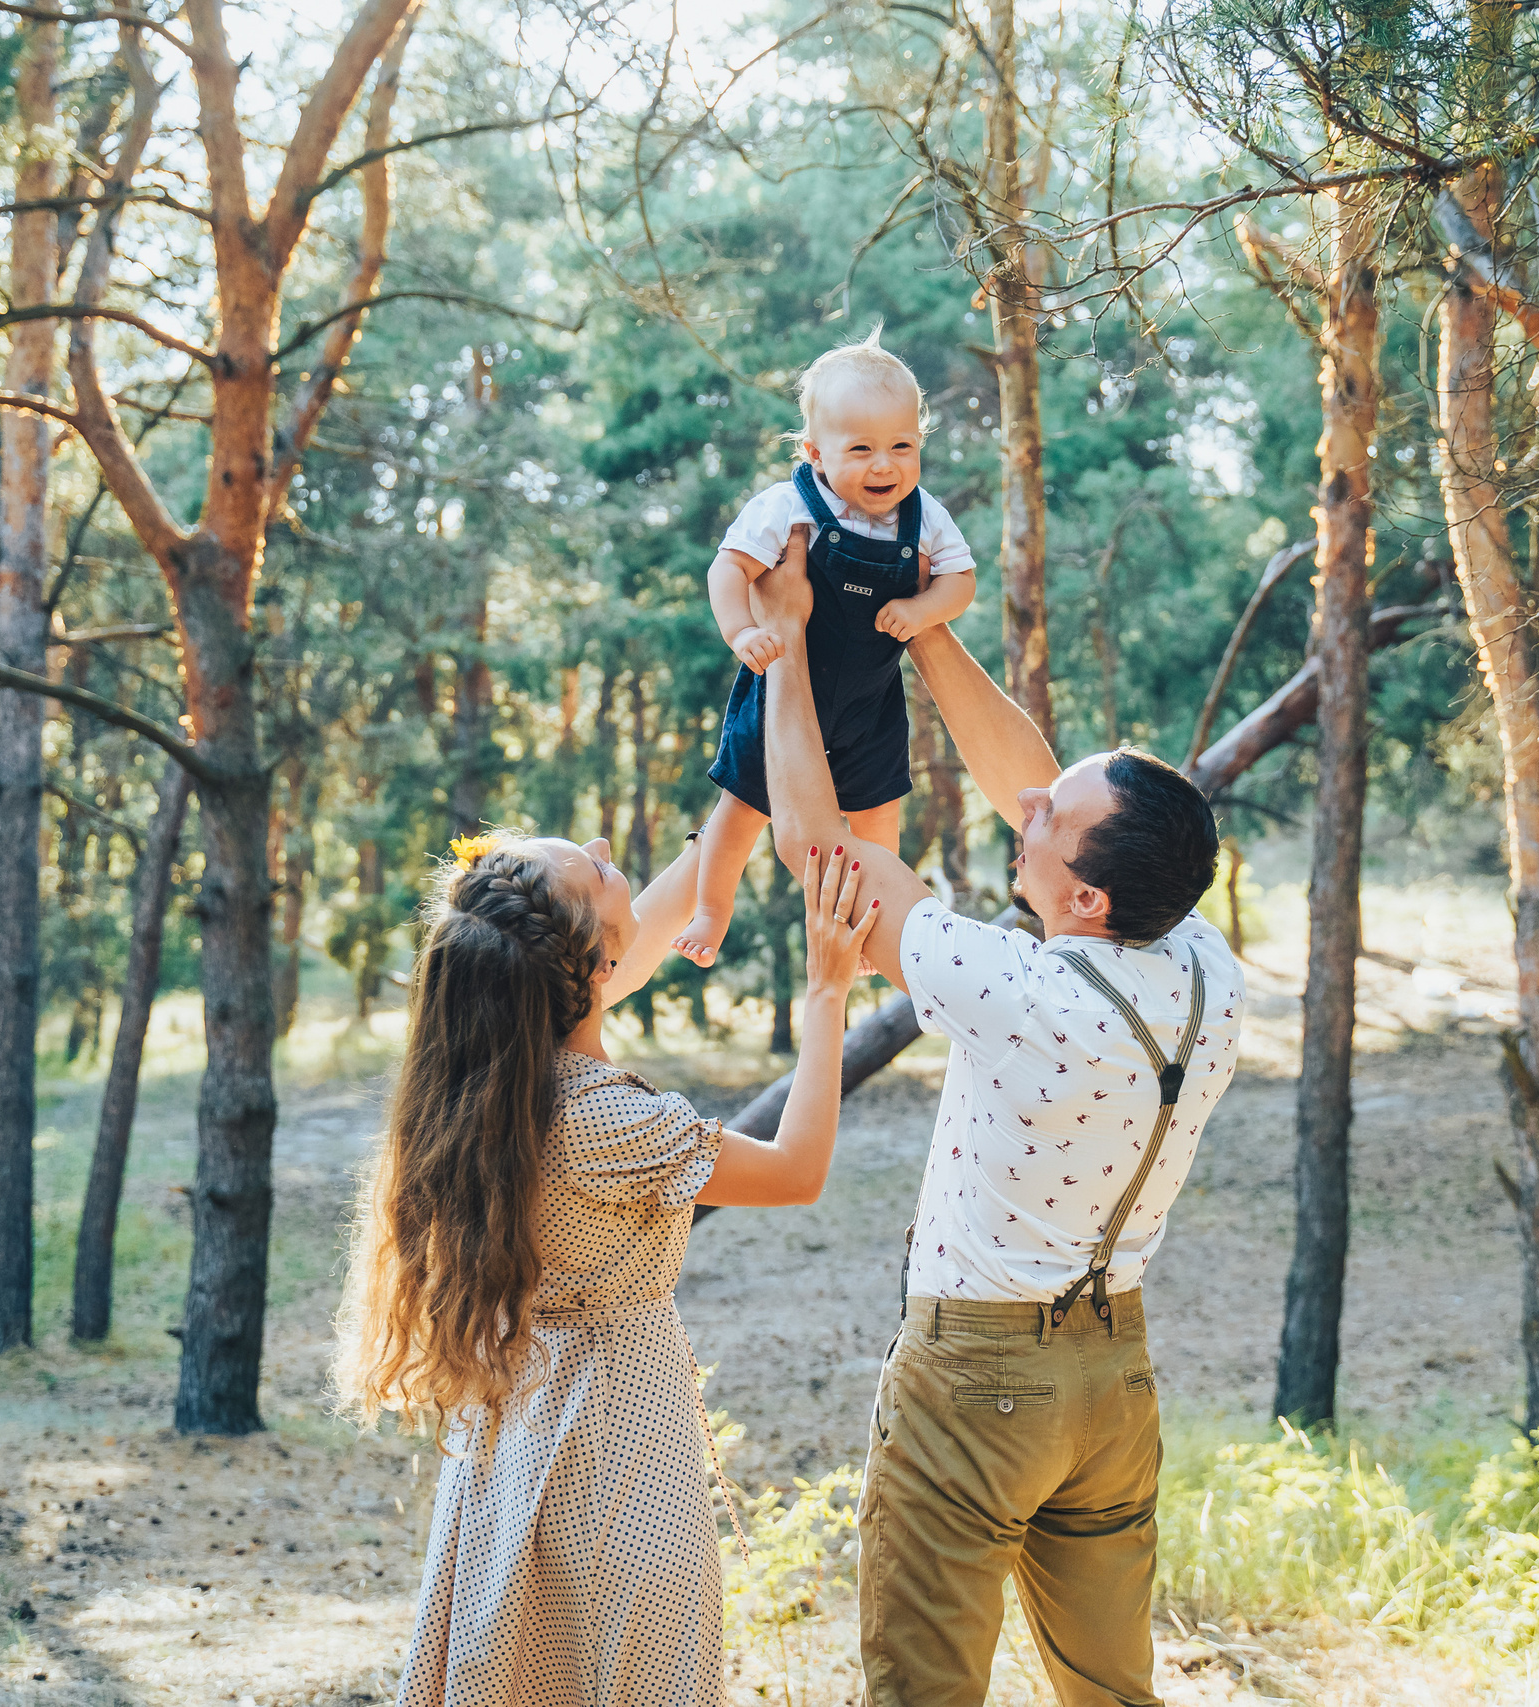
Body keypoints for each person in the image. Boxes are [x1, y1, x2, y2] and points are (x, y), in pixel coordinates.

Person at [749, 540, 1249, 1707]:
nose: (1024, 806)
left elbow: (824, 857)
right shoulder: (1205, 965)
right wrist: (918, 626)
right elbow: (1039, 789)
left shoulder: (1016, 994)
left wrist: (785, 650)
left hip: (976, 1381)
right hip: (1112, 1378)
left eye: (1047, 822)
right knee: (1112, 1692)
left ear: (1084, 899)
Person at [336, 831, 879, 1707]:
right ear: (592, 966)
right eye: (591, 864)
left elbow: (642, 922)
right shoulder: (611, 1123)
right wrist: (826, 990)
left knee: (520, 1670)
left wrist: (734, 810)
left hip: (511, 1439)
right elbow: (797, 1168)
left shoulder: (497, 1076)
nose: (599, 844)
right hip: (621, 1449)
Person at [672, 331, 977, 968]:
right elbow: (726, 571)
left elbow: (961, 581)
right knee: (744, 804)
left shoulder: (926, 517)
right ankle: (711, 910)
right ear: (814, 452)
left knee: (877, 817)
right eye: (860, 449)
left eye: (901, 446)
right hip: (784, 688)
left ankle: (872, 922)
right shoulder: (786, 508)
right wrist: (740, 632)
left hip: (870, 701)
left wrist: (923, 608)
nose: (884, 466)